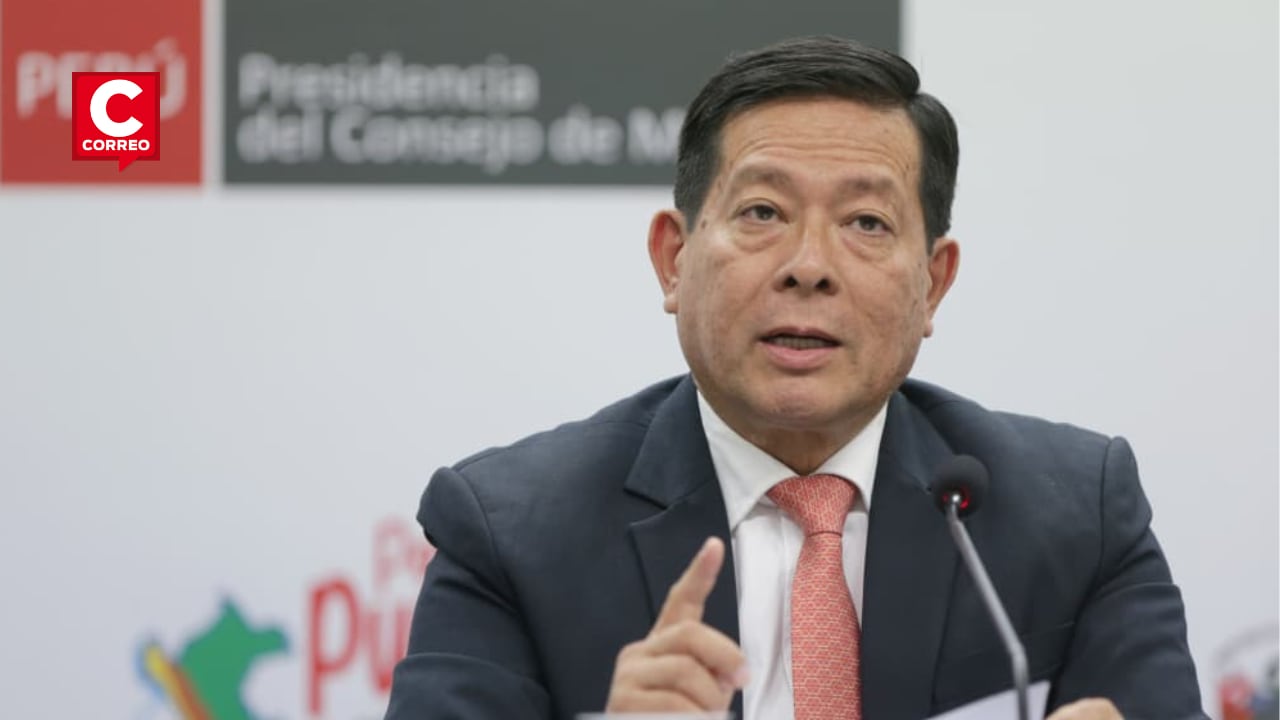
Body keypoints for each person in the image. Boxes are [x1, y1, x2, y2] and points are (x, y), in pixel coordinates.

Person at [385, 36, 1204, 719]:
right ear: (674, 260)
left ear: (933, 284)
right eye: (763, 213)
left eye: (866, 222)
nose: (809, 266)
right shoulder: (512, 534)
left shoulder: (1076, 517)